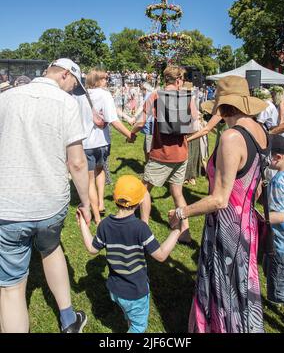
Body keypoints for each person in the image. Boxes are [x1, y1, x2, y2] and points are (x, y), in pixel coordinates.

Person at [169, 75, 269, 333]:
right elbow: (256, 184)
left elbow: (219, 198)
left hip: (228, 227)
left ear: (224, 107)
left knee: (225, 290)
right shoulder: (261, 132)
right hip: (247, 224)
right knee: (240, 288)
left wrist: (182, 212)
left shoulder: (231, 137)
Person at [0, 58, 91, 333]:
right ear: (64, 74)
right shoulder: (66, 104)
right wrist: (86, 203)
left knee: (11, 288)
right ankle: (68, 319)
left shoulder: (6, 98)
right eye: (74, 85)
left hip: (9, 206)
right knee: (51, 250)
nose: (72, 92)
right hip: (50, 203)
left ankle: (67, 318)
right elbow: (77, 162)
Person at [77, 174, 187, 333]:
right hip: (135, 292)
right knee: (138, 327)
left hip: (115, 290)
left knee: (130, 317)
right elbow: (161, 255)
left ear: (115, 198)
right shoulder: (140, 228)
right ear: (141, 201)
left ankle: (129, 321)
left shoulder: (105, 225)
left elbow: (92, 249)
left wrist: (82, 222)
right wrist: (177, 230)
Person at [130, 66, 197, 244]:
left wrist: (132, 134)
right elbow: (194, 125)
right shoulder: (187, 98)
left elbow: (141, 121)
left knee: (144, 188)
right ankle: (185, 232)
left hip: (161, 154)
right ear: (178, 80)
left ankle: (143, 227)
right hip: (182, 154)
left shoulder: (156, 96)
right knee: (177, 192)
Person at [74, 69, 135, 224]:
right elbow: (113, 120)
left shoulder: (79, 95)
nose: (107, 81)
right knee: (99, 172)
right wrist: (129, 135)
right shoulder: (105, 95)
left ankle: (97, 213)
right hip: (102, 142)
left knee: (90, 179)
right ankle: (99, 207)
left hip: (86, 143)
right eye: (104, 78)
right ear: (97, 80)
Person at [263, 135, 284, 322]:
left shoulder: (280, 180)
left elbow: (279, 216)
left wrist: (256, 217)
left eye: (268, 156)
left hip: (283, 248)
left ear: (278, 157)